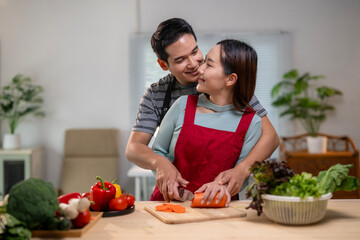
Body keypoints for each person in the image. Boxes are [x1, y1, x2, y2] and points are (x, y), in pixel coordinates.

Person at [125, 18, 279, 202]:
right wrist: (160, 163)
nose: (195, 65)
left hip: (217, 201)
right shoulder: (159, 95)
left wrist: (241, 170)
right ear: (163, 65)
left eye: (195, 52)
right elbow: (134, 148)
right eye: (181, 59)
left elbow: (270, 137)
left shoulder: (231, 89)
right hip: (174, 200)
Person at [151, 39, 261, 205]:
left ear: (230, 79)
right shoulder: (182, 105)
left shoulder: (252, 122)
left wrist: (222, 188)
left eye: (209, 65)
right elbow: (158, 152)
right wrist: (171, 183)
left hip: (216, 211)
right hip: (169, 205)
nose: (199, 68)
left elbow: (240, 177)